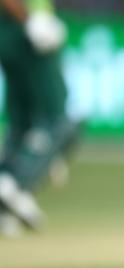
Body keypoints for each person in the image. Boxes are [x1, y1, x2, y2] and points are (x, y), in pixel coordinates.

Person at [0, 0, 78, 236]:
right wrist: (30, 18)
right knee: (58, 118)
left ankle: (5, 202)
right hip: (21, 29)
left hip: (14, 30)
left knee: (23, 117)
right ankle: (15, 182)